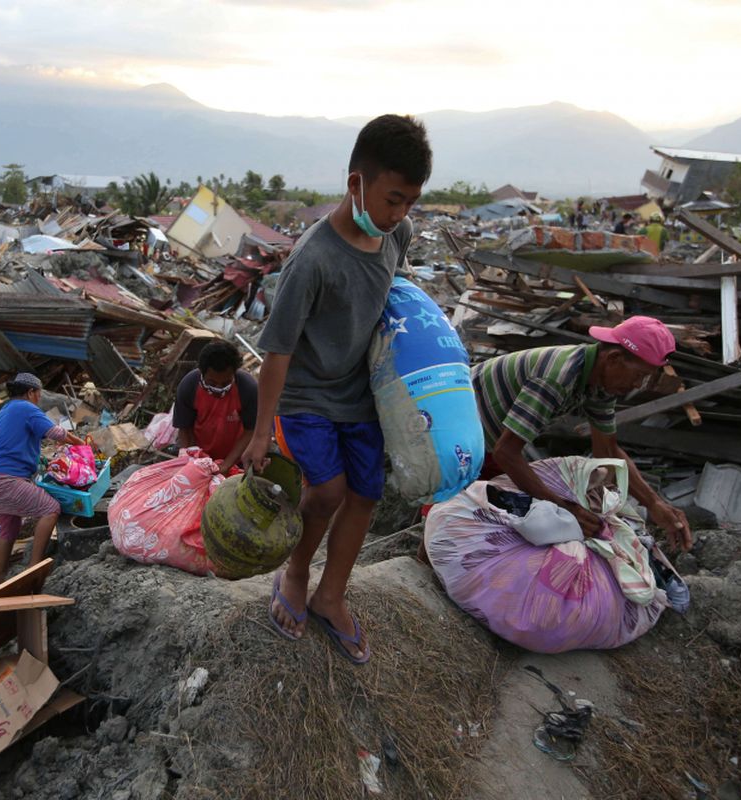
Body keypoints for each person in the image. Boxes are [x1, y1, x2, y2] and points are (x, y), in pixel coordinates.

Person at [244, 114, 431, 664]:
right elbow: (276, 352)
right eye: (392, 199)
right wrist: (260, 433)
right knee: (326, 491)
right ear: (356, 184)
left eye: (409, 202)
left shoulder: (399, 235)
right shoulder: (314, 258)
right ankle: (297, 570)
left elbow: (392, 298)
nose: (399, 214)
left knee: (367, 493)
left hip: (358, 392)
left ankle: (332, 594)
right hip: (305, 394)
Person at [472, 316, 692, 552]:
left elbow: (607, 452)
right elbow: (506, 452)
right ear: (614, 359)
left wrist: (654, 503)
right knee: (457, 514)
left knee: (490, 517)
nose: (638, 385)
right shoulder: (558, 377)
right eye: (639, 375)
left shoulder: (601, 383)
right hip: (457, 429)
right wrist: (564, 509)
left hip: (488, 440)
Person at [0, 373, 85, 582]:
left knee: (10, 525)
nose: (39, 398)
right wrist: (81, 444)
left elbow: (16, 442)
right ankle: (33, 566)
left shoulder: (6, 410)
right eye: (39, 393)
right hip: (5, 478)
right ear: (31, 392)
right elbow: (56, 433)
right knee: (50, 509)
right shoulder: (26, 408)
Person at [172, 339, 258, 476]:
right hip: (199, 454)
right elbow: (184, 428)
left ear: (234, 373)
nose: (218, 388)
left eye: (225, 382)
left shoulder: (248, 388)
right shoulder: (189, 385)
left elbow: (251, 431)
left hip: (236, 457)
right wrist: (191, 461)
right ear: (202, 372)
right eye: (211, 382)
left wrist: (226, 465)